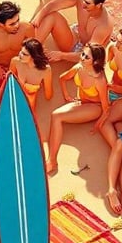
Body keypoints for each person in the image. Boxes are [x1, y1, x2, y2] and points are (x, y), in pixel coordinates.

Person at [45, 43, 109, 174]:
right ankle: (51, 160)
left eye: (87, 57)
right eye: (83, 54)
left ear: (95, 61)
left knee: (56, 116)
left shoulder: (99, 80)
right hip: (81, 102)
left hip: (94, 107)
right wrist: (66, 95)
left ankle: (52, 161)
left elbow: (106, 107)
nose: (83, 58)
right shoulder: (79, 68)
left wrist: (99, 124)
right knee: (55, 115)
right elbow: (62, 78)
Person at [31, 0, 114, 63]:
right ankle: (31, 49)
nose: (83, 4)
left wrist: (61, 55)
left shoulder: (104, 25)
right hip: (75, 33)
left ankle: (32, 53)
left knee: (88, 56)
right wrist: (39, 17)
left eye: (88, 3)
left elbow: (89, 54)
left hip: (82, 51)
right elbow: (54, 4)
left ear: (99, 5)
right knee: (51, 16)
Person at [0, 1, 36, 82]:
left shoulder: (27, 28)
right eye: (12, 24)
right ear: (1, 24)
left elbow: (34, 48)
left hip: (22, 64)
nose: (17, 25)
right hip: (1, 67)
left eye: (18, 20)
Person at [8, 37, 53, 112]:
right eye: (21, 51)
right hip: (15, 95)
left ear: (34, 57)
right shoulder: (15, 61)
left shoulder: (45, 70)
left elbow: (48, 95)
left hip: (29, 102)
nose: (20, 55)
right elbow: (10, 80)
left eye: (24, 54)